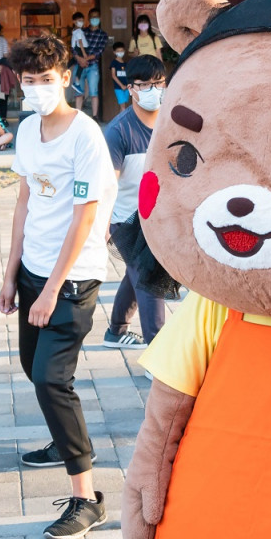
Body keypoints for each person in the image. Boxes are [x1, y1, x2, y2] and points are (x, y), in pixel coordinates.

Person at [0, 32, 117, 539]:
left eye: (46, 79)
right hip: (32, 268)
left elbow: (85, 217)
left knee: (51, 379)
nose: (37, 88)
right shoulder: (27, 130)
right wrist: (11, 273)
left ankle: (87, 499)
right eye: (28, 80)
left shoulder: (86, 136)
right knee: (34, 368)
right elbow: (24, 202)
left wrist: (51, 289)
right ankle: (62, 439)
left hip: (72, 277)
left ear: (66, 78)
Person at [100, 55, 167, 350]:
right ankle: (158, 354)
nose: (154, 90)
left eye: (159, 83)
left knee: (136, 274)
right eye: (145, 85)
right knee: (149, 276)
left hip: (161, 216)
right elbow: (107, 184)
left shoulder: (172, 122)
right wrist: (102, 226)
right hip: (127, 220)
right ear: (130, 89)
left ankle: (116, 331)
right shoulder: (119, 131)